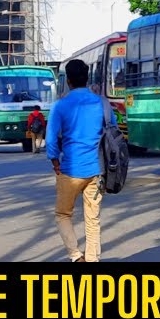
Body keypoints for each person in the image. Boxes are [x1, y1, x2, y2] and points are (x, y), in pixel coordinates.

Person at [47, 59, 104, 262]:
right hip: (96, 169)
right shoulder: (101, 103)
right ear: (87, 79)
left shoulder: (60, 105)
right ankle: (92, 259)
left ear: (68, 81)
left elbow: (51, 140)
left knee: (63, 214)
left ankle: (76, 255)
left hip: (70, 170)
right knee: (92, 218)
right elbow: (111, 130)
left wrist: (55, 164)